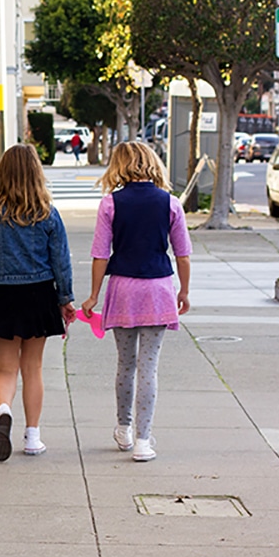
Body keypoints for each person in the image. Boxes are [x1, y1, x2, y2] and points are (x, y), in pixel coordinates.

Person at [0, 143, 76, 461]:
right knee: (33, 368)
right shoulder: (47, 213)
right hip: (40, 295)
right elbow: (61, 261)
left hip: (4, 296)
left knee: (6, 369)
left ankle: (3, 409)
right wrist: (66, 299)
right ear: (36, 173)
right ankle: (33, 437)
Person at [81, 141, 191, 462]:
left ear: (119, 166)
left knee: (125, 364)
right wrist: (183, 290)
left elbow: (100, 255)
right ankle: (144, 440)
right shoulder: (170, 204)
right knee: (149, 367)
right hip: (158, 289)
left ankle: (123, 428)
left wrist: (93, 295)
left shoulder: (109, 205)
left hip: (124, 289)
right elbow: (182, 254)